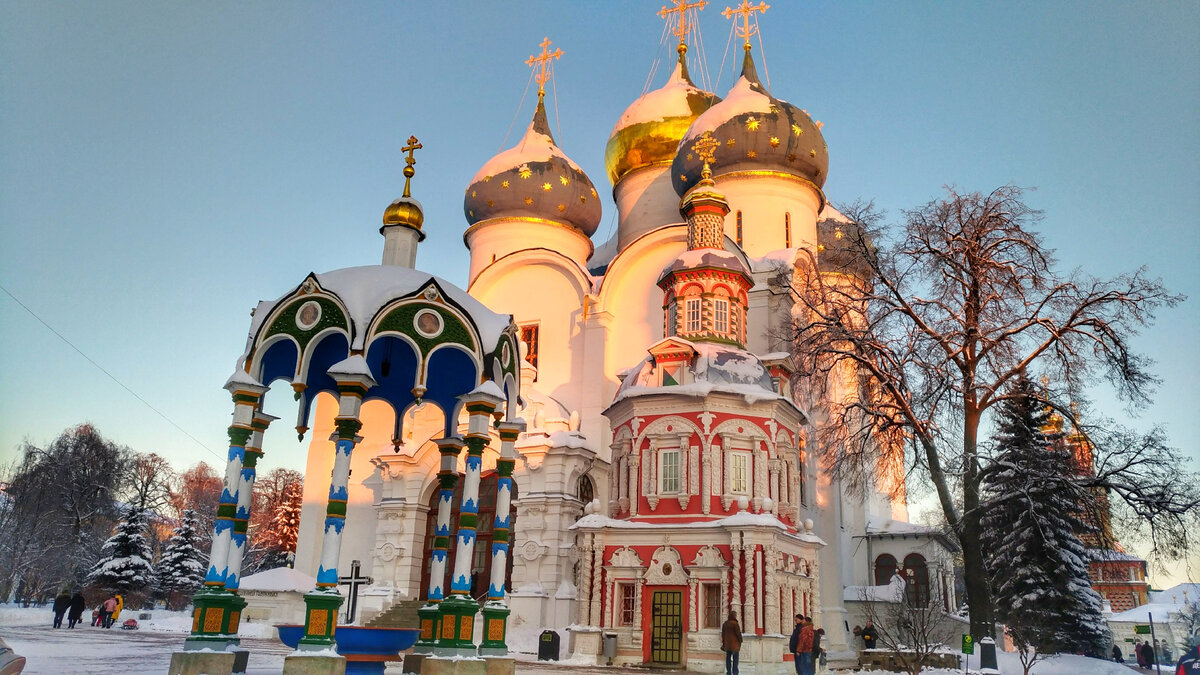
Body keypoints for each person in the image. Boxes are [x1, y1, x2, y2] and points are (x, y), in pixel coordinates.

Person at [721, 610, 743, 675]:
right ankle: (735, 673)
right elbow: (738, 633)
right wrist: (740, 640)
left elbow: (723, 634)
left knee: (728, 659)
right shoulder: (735, 624)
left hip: (727, 645)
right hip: (735, 645)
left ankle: (729, 672)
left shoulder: (725, 624)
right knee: (735, 660)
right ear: (734, 616)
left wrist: (724, 643)